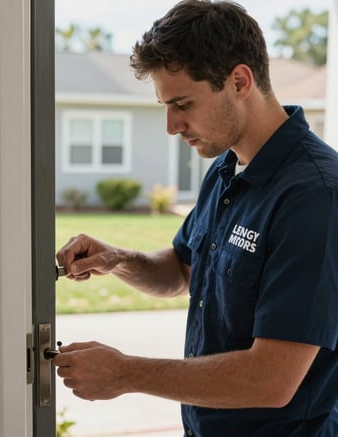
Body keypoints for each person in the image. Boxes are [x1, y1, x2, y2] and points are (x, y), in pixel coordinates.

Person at [54, 1, 338, 435]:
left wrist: (126, 373)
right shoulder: (225, 168)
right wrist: (119, 259)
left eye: (182, 103)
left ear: (239, 81)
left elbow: (272, 380)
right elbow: (183, 271)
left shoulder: (316, 196)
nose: (171, 125)